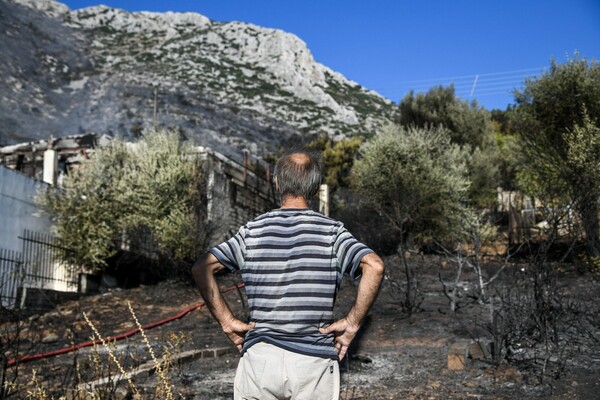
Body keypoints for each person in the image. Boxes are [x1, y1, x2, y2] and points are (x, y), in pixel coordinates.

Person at [192, 151, 384, 400]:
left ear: (277, 183)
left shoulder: (252, 231)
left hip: (260, 360)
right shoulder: (332, 233)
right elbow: (374, 266)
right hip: (312, 363)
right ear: (314, 189)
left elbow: (202, 267)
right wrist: (352, 323)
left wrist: (227, 322)